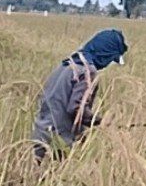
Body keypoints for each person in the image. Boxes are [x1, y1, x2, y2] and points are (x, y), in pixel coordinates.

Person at [32, 29, 128, 161]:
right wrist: (100, 121)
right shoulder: (87, 72)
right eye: (110, 59)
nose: (107, 64)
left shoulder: (67, 64)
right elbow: (76, 109)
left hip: (40, 132)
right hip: (58, 141)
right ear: (105, 54)